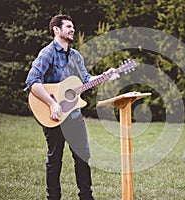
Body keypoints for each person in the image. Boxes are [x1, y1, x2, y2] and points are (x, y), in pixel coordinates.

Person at [25, 14, 118, 200]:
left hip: (74, 115)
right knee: (55, 160)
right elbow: (32, 82)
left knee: (82, 158)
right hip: (54, 115)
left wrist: (104, 76)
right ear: (56, 30)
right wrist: (52, 104)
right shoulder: (47, 53)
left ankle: (86, 197)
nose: (72, 29)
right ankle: (53, 197)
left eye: (73, 26)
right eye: (68, 26)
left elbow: (86, 81)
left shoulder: (76, 56)